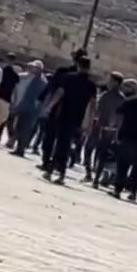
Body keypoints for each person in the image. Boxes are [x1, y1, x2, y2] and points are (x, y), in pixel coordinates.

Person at [40, 56, 97, 184]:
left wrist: (49, 107)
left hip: (62, 115)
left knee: (60, 144)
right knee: (65, 145)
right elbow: (92, 106)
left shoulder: (69, 78)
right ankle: (58, 172)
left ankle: (56, 171)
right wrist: (89, 124)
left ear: (78, 65)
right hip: (77, 119)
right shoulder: (91, 85)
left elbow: (59, 94)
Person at [38, 49, 86, 170]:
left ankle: (47, 161)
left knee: (50, 137)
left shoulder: (63, 72)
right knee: (62, 140)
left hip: (58, 110)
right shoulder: (84, 80)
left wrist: (45, 103)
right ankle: (54, 163)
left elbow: (53, 88)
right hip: (71, 113)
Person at [83, 73, 125, 184]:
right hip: (111, 131)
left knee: (88, 149)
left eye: (110, 80)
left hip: (99, 127)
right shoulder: (122, 99)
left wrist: (90, 124)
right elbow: (121, 117)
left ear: (116, 82)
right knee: (102, 155)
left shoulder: (105, 95)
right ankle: (96, 179)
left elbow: (97, 112)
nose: (108, 83)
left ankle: (89, 173)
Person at [9, 61, 48, 156]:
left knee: (25, 129)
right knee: (18, 127)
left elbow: (42, 98)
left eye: (34, 67)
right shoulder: (29, 78)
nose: (31, 68)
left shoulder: (42, 82)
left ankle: (21, 149)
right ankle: (18, 147)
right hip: (23, 106)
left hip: (32, 110)